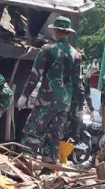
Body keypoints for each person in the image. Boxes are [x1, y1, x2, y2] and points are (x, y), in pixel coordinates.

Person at [19, 16, 82, 162]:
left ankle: (26, 163)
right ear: (68, 33)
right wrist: (78, 106)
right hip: (64, 103)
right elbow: (77, 83)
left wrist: (25, 95)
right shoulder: (76, 55)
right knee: (54, 136)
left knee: (32, 131)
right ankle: (49, 167)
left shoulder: (48, 49)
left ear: (55, 30)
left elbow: (35, 74)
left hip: (47, 100)